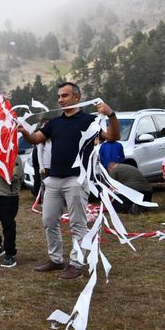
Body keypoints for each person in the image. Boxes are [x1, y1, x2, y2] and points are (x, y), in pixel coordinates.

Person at [19, 82, 119, 280]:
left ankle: (76, 263)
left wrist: (111, 115)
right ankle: (56, 260)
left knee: (77, 224)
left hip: (76, 180)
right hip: (54, 180)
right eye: (58, 96)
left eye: (64, 96)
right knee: (48, 221)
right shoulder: (55, 123)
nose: (60, 100)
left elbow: (113, 136)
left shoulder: (90, 121)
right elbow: (35, 139)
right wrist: (24, 132)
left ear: (77, 97)